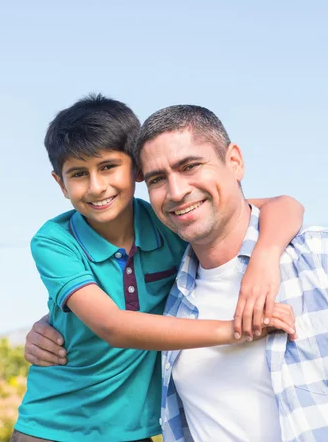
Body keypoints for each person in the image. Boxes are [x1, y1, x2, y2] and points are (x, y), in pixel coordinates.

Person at [15, 94, 301, 442]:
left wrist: (265, 257)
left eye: (108, 167)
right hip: (53, 428)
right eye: (78, 174)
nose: (96, 186)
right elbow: (113, 325)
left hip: (137, 430)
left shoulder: (170, 218)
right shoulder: (54, 240)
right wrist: (237, 330)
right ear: (61, 184)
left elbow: (282, 204)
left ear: (135, 170)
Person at [133, 104, 328, 441]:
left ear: (234, 162)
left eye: (190, 166)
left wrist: (266, 253)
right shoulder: (168, 301)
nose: (177, 191)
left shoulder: (319, 257)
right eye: (157, 179)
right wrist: (47, 327)